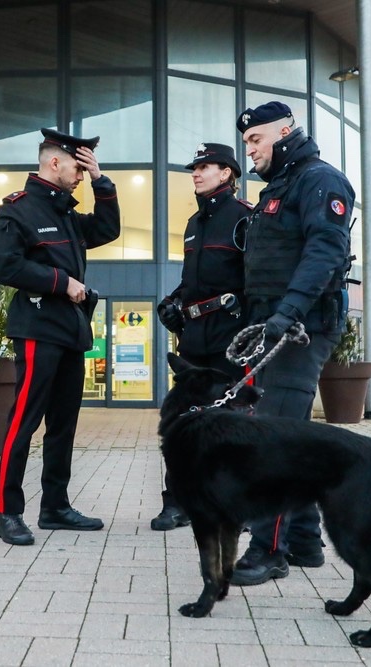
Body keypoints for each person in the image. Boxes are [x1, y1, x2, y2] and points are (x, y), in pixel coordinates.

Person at [229, 101, 354, 585]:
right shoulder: (277, 189)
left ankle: (268, 550)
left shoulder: (320, 180)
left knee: (273, 439)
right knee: (291, 433)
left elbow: (326, 250)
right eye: (246, 142)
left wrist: (288, 311)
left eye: (256, 140)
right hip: (274, 326)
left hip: (301, 328)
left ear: (284, 132)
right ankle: (303, 540)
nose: (251, 150)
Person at [0, 128, 121, 546]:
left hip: (70, 331)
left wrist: (102, 181)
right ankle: (8, 512)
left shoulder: (66, 213)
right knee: (23, 423)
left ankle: (55, 507)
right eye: (79, 168)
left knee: (63, 424)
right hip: (37, 329)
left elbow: (108, 229)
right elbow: (4, 265)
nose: (81, 175)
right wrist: (62, 282)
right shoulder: (17, 210)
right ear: (54, 162)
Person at [153, 143, 252, 531]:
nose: (196, 173)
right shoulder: (194, 224)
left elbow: (254, 281)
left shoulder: (246, 218)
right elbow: (191, 281)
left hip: (231, 336)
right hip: (193, 336)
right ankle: (176, 502)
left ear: (227, 173)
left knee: (232, 421)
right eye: (194, 167)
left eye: (205, 166)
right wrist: (173, 301)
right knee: (182, 420)